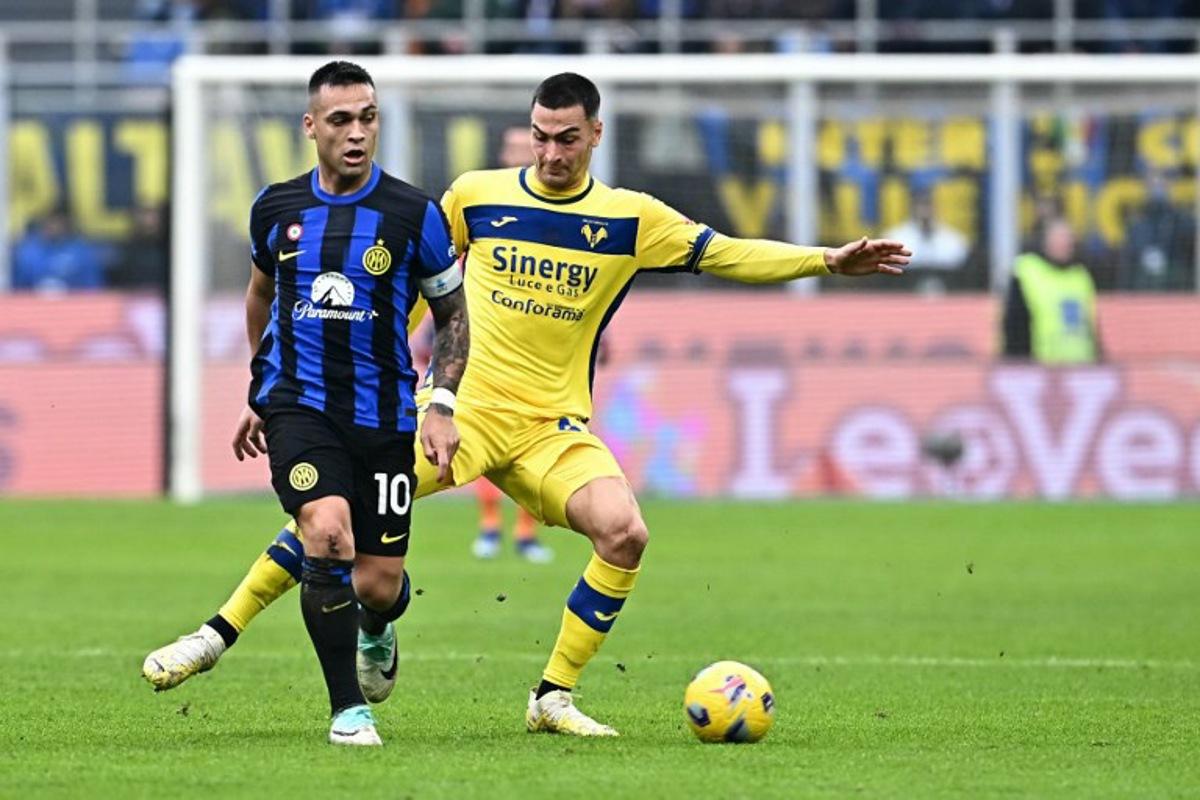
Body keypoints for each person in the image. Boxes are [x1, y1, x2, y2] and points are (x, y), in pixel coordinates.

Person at [143, 71, 908, 737]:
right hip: (459, 413)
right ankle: (218, 633)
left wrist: (826, 261)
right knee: (328, 517)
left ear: (595, 135)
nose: (549, 152)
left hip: (551, 429)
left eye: (566, 139)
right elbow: (410, 290)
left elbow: (728, 252)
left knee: (626, 532)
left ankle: (552, 696)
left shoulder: (629, 218)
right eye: (539, 136)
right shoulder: (475, 196)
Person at [222, 60, 469, 746]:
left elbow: (452, 315)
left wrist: (441, 403)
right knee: (325, 533)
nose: (356, 133)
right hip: (300, 407)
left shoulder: (412, 213)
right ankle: (347, 710)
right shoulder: (276, 209)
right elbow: (260, 296)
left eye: (367, 118)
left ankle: (377, 627)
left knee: (377, 583)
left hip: (385, 416)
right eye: (340, 120)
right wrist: (259, 387)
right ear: (311, 127)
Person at [1002, 216, 1101, 363]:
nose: (1065, 243)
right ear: (1046, 241)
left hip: (1079, 368)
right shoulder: (1028, 271)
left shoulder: (1080, 275)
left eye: (1068, 238)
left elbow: (1090, 325)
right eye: (1059, 238)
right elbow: (1015, 324)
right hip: (1040, 367)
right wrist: (1020, 364)